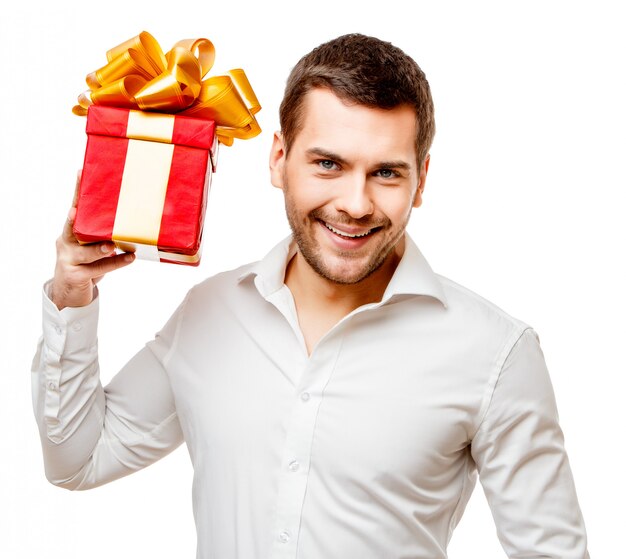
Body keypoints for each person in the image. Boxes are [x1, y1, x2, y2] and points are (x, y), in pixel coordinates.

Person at [32, 33, 590, 558]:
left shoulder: (496, 352)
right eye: (328, 163)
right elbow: (78, 460)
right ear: (278, 159)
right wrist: (71, 292)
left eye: (387, 173)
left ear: (421, 179)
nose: (355, 202)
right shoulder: (209, 313)